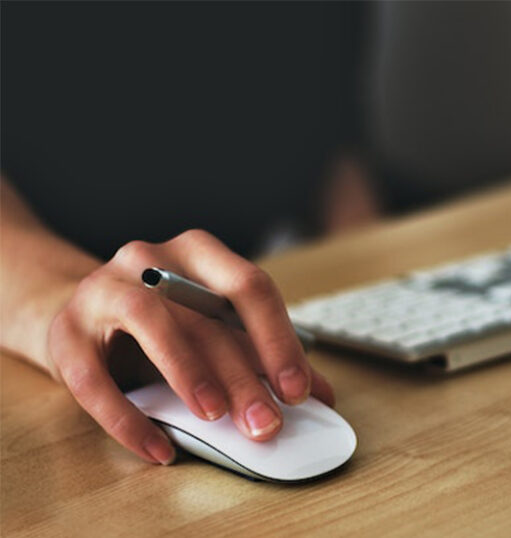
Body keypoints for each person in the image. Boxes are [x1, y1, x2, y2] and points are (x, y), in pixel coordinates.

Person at [0, 1, 372, 466]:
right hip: (63, 277)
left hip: (239, 307)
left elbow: (335, 141)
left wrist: (374, 294)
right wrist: (62, 304)